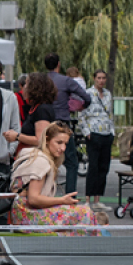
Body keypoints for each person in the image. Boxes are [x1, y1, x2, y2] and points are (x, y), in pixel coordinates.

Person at [9, 123, 109, 265]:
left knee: (78, 218)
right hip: (28, 215)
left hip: (22, 214)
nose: (62, 148)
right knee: (84, 214)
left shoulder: (32, 156)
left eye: (65, 144)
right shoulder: (41, 161)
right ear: (47, 140)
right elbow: (33, 198)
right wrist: (62, 201)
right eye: (59, 142)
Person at [39, 54, 93, 198]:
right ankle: (70, 197)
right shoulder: (66, 81)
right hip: (62, 124)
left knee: (42, 159)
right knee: (71, 162)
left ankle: (41, 194)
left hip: (42, 123)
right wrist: (81, 106)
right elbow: (86, 97)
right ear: (59, 64)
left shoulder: (40, 80)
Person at [76, 70, 116, 205]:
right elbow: (81, 115)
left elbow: (110, 114)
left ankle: (98, 199)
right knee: (93, 166)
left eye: (104, 78)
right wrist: (87, 132)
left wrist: (112, 132)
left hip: (106, 133)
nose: (101, 80)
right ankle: (88, 198)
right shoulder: (87, 94)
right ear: (94, 79)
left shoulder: (108, 94)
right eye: (99, 78)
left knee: (104, 167)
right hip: (93, 134)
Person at [1, 72, 57, 158]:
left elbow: (40, 140)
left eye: (26, 83)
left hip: (35, 158)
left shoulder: (42, 110)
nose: (24, 87)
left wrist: (17, 136)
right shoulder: (36, 107)